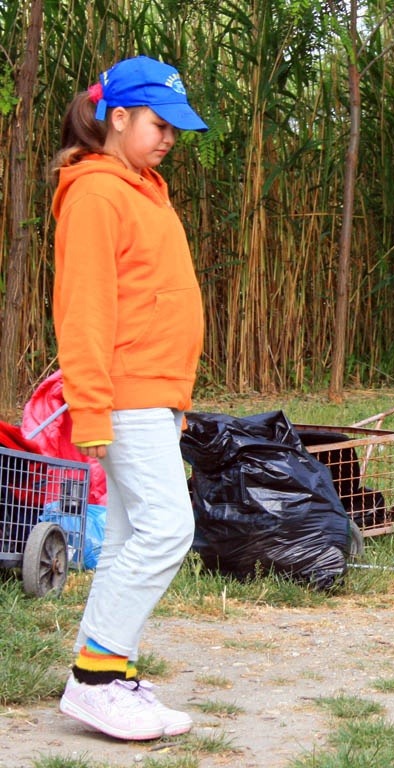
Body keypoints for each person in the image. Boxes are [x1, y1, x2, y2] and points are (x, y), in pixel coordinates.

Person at [50, 55, 209, 741]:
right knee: (167, 528)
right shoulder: (96, 194)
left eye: (176, 126)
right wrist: (89, 409)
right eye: (157, 122)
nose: (169, 137)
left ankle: (109, 678)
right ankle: (94, 678)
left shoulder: (142, 186)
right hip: (122, 395)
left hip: (153, 394)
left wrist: (177, 397)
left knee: (122, 539)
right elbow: (83, 313)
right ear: (117, 118)